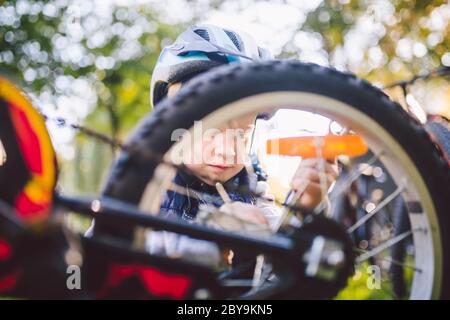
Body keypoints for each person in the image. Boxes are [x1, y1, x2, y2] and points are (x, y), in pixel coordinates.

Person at [146, 25, 338, 269]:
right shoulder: (141, 182)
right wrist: (211, 236)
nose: (226, 150)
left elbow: (287, 255)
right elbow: (110, 246)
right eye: (209, 130)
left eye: (242, 133)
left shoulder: (249, 185)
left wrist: (305, 208)